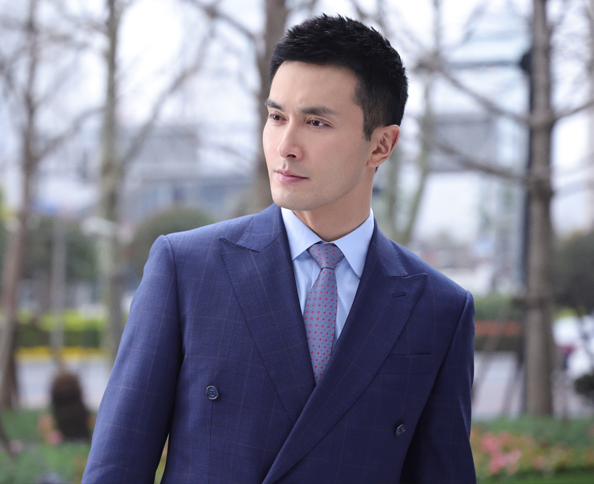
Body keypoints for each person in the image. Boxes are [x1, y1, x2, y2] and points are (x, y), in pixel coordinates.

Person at [83, 14, 475, 484]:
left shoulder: (438, 309)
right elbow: (117, 466)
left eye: (316, 122)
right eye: (276, 117)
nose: (285, 146)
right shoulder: (187, 269)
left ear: (381, 145)